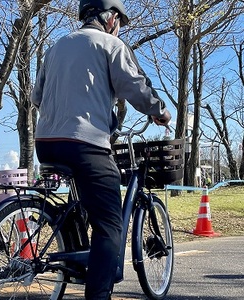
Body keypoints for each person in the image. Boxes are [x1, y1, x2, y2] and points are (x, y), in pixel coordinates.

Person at [30, 0, 171, 299]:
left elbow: (37, 97)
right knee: (109, 226)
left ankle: (78, 252)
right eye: (119, 20)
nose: (118, 26)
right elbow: (134, 85)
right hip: (85, 145)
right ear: (110, 18)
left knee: (83, 206)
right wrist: (159, 110)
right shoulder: (110, 44)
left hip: (46, 144)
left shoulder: (56, 46)